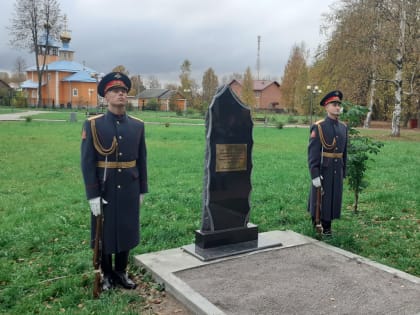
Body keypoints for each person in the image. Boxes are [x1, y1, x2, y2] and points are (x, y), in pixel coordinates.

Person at [81, 72, 148, 291]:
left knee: (127, 229)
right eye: (115, 91)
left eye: (123, 91)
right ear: (105, 96)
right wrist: (92, 195)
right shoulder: (93, 125)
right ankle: (107, 273)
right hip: (105, 187)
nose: (120, 94)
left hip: (130, 186)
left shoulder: (137, 126)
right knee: (105, 231)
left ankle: (121, 271)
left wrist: (142, 190)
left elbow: (142, 159)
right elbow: (87, 162)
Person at [307, 90, 348, 236]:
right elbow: (313, 154)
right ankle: (318, 223)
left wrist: (344, 170)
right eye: (334, 104)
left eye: (339, 105)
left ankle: (328, 225)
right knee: (321, 198)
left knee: (334, 198)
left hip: (337, 169)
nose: (337, 107)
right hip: (324, 169)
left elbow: (345, 152)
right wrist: (315, 175)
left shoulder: (343, 127)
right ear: (326, 107)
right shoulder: (319, 127)